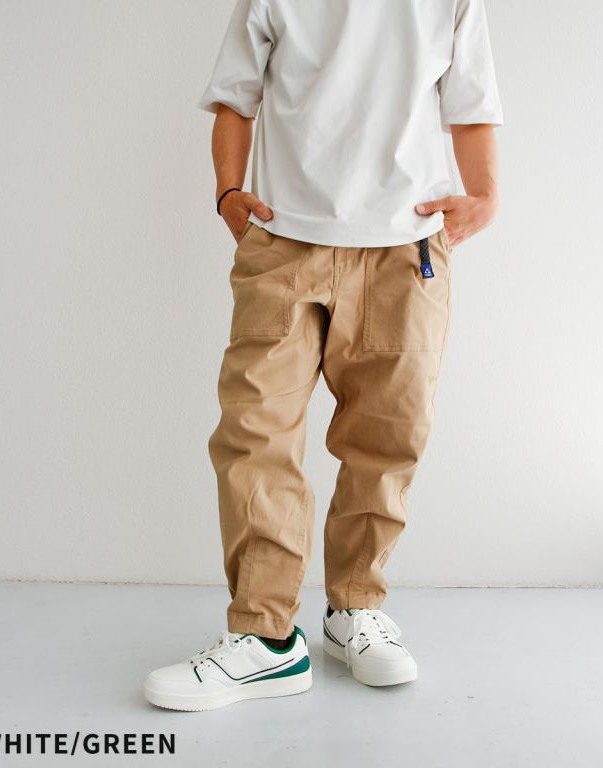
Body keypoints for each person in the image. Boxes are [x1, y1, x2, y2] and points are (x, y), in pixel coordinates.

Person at [144, 0, 502, 711]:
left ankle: (354, 609)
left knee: (388, 437)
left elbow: (472, 105)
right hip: (284, 241)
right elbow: (234, 97)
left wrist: (486, 195)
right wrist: (227, 191)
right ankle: (265, 638)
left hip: (406, 247)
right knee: (255, 430)